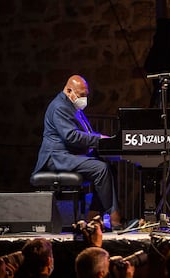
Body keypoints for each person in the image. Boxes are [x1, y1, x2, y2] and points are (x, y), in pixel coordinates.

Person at [31, 74, 121, 228]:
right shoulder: (60, 107)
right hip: (57, 158)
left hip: (69, 155)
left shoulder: (71, 106)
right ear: (68, 91)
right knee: (101, 169)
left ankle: (94, 216)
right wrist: (99, 139)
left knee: (109, 167)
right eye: (81, 95)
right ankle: (114, 218)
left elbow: (83, 134)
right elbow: (71, 136)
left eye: (86, 95)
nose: (84, 99)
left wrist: (103, 146)